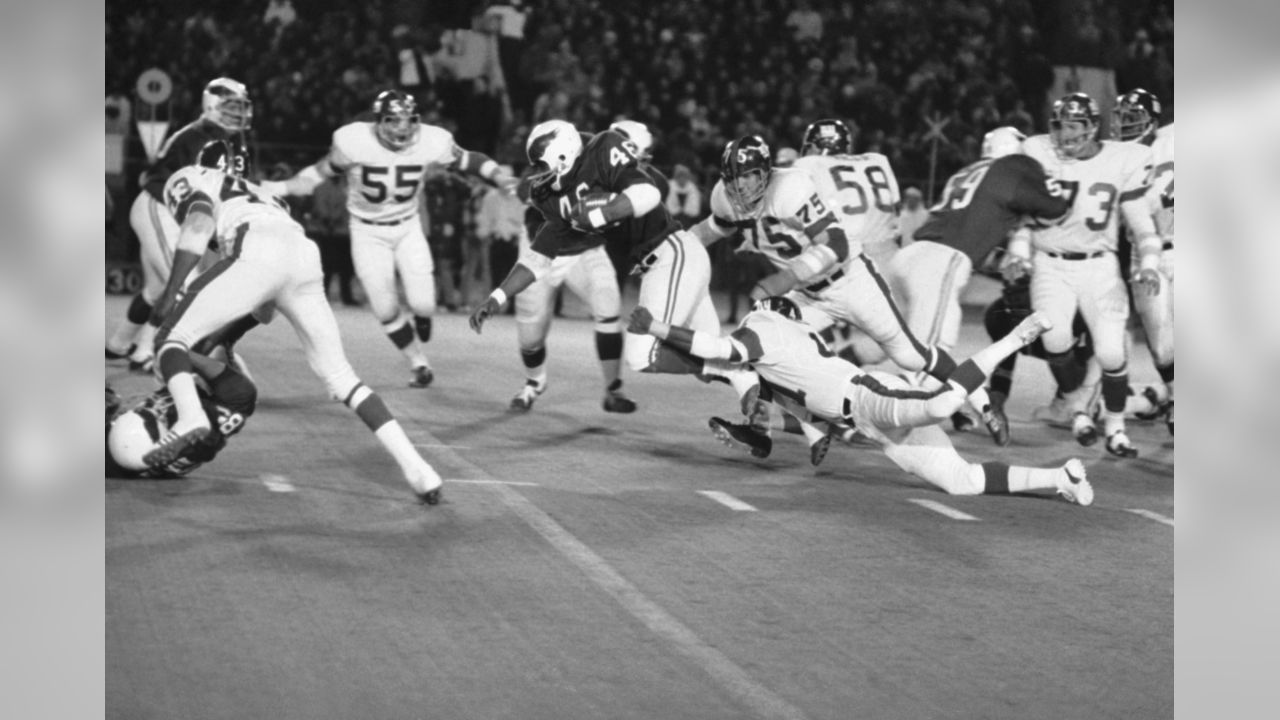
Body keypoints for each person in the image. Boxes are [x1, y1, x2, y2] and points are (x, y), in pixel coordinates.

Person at [144, 139, 443, 504]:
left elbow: (199, 221)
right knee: (343, 379)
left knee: (168, 341)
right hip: (302, 253)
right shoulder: (265, 195)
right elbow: (264, 308)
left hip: (255, 245)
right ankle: (419, 471)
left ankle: (190, 416)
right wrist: (227, 338)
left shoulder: (194, 176)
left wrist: (170, 290)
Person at [627, 296, 1093, 506]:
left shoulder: (766, 329)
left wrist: (657, 329)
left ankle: (1018, 335)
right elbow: (819, 420)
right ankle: (1062, 477)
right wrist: (772, 426)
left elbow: (720, 350)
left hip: (867, 398)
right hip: (867, 422)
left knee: (939, 405)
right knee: (962, 482)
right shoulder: (790, 351)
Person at [470, 120, 765, 447]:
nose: (537, 173)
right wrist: (496, 297)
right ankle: (767, 417)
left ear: (563, 155)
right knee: (706, 357)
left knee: (644, 354)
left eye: (541, 164)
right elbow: (536, 258)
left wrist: (603, 212)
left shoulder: (603, 149)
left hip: (671, 254)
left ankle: (741, 374)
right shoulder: (561, 199)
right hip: (666, 263)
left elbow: (648, 193)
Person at [691, 133, 964, 451]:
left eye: (749, 176)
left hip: (848, 279)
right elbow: (710, 230)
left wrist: (786, 277)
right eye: (734, 178)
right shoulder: (725, 198)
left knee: (909, 354)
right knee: (757, 346)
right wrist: (670, 249)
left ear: (765, 172)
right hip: (807, 294)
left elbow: (835, 243)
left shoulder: (792, 186)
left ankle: (975, 391)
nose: (741, 186)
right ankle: (762, 429)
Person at [261, 89, 516, 388]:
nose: (402, 128)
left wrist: (499, 176)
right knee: (384, 308)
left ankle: (422, 317)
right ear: (377, 121)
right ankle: (418, 362)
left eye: (407, 121)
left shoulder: (431, 140)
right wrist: (281, 187)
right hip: (366, 230)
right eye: (393, 121)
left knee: (424, 304)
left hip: (407, 226)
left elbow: (470, 160)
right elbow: (319, 173)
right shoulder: (353, 141)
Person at [886, 126, 1070, 444]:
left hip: (910, 257)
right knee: (922, 361)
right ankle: (884, 424)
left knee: (929, 350)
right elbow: (1056, 207)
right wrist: (1032, 210)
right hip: (941, 262)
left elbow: (981, 222)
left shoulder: (969, 170)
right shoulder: (1012, 168)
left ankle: (975, 406)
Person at [1006, 92, 1162, 457]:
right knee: (1054, 338)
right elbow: (1025, 218)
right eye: (1060, 126)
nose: (1065, 135)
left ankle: (1117, 429)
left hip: (1099, 265)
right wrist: (1018, 253)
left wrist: (1150, 264)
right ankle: (1077, 409)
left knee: (1110, 352)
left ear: (1093, 127)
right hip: (1050, 262)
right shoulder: (1038, 154)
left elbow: (1143, 226)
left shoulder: (1122, 160)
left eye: (1075, 126)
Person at [107, 77, 252, 373]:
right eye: (231, 106)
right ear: (211, 104)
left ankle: (121, 345)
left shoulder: (235, 141)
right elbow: (149, 179)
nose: (238, 113)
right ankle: (159, 353)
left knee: (156, 290)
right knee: (186, 287)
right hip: (160, 208)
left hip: (181, 216)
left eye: (241, 107)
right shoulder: (195, 137)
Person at [1114, 88, 1174, 434]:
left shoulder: (1174, 138)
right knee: (1163, 348)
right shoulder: (1113, 158)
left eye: (1131, 119)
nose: (1123, 126)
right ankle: (1172, 394)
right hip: (1143, 254)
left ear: (1152, 120)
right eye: (1120, 119)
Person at [107, 347, 256, 479]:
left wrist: (166, 353)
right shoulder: (236, 401)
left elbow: (180, 353)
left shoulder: (236, 393)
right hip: (152, 457)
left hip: (141, 443)